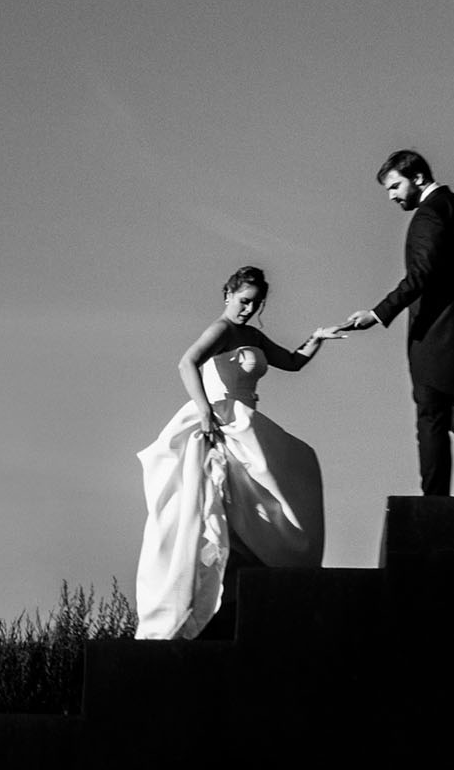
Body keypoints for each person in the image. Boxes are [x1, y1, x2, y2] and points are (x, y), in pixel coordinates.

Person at [135, 266, 344, 640]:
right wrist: (203, 410)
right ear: (228, 294)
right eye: (244, 301)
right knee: (219, 506)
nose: (248, 309)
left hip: (246, 421)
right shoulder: (222, 330)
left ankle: (260, 580)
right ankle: (210, 600)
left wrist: (317, 338)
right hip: (221, 420)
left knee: (291, 471)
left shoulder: (252, 334)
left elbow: (292, 362)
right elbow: (187, 362)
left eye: (256, 303)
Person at [343, 149, 454, 496]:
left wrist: (376, 314)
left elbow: (420, 276)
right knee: (441, 404)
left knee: (429, 416)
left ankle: (434, 503)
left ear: (418, 178)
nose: (392, 196)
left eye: (395, 186)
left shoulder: (429, 215)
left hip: (436, 330)